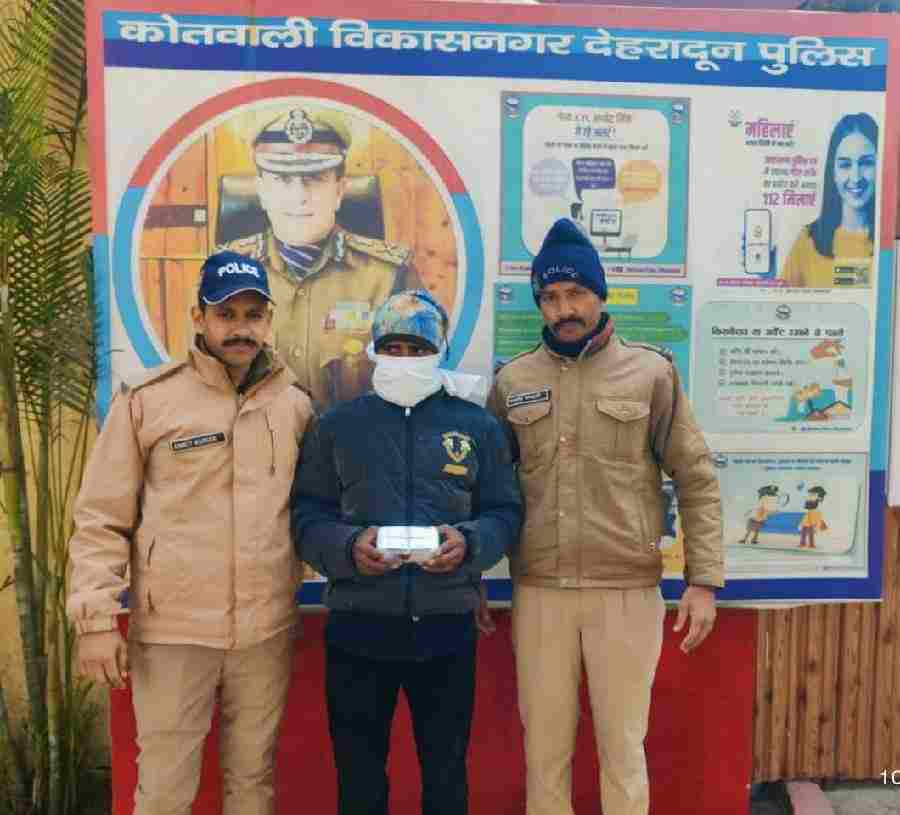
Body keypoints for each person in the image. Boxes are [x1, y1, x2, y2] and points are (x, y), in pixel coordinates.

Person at [487, 219, 724, 815]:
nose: (564, 309)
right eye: (549, 297)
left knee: (622, 750)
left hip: (625, 593)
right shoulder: (513, 380)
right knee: (544, 754)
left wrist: (703, 580)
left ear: (599, 294)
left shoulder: (650, 374)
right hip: (540, 593)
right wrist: (469, 578)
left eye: (576, 293)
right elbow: (487, 491)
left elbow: (695, 476)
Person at [67, 251, 314, 815]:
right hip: (175, 633)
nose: (240, 328)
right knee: (164, 788)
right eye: (226, 314)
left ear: (268, 320)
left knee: (253, 780)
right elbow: (101, 518)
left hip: (265, 632)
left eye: (253, 315)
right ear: (198, 317)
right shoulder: (148, 400)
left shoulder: (294, 404)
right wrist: (95, 620)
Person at [290, 289, 522, 815]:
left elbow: (505, 512)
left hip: (446, 631)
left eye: (417, 349)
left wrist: (470, 544)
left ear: (439, 350)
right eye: (392, 347)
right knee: (359, 778)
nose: (404, 359)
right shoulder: (337, 426)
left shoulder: (476, 426)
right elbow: (307, 516)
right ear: (374, 350)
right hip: (358, 630)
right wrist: (349, 547)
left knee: (446, 775)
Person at [219, 106, 419, 408]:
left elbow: (416, 383)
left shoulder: (390, 275)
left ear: (340, 190)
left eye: (315, 179)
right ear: (261, 191)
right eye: (282, 180)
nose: (299, 196)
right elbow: (197, 387)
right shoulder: (222, 275)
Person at [780, 112, 878, 288]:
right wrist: (763, 276)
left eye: (866, 163)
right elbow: (778, 301)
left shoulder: (889, 243)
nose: (855, 177)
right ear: (833, 172)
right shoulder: (808, 240)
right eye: (845, 165)